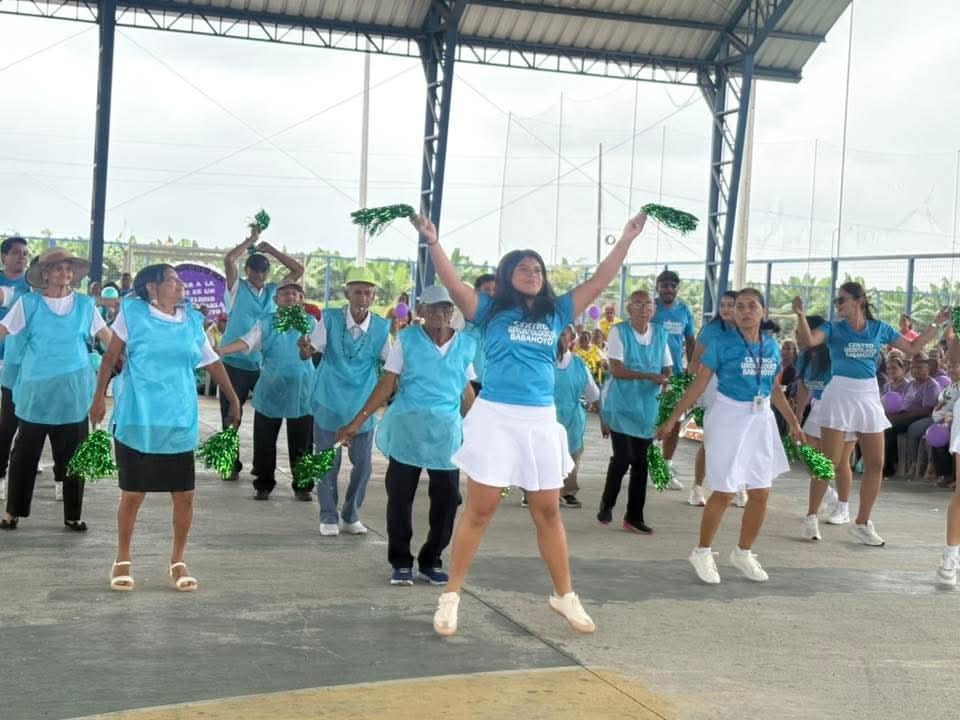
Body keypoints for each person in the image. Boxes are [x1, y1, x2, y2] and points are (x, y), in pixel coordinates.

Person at [412, 210, 649, 638]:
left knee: (548, 511)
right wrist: (433, 241)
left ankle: (564, 595)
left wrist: (627, 240)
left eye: (537, 269)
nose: (532, 273)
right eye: (523, 268)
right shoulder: (488, 310)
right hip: (496, 416)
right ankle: (451, 594)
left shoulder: (556, 311)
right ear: (507, 276)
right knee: (480, 509)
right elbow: (453, 283)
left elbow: (599, 281)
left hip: (540, 419)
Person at [90, 264, 241, 591]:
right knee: (133, 494)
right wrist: (99, 397)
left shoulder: (191, 321)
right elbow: (110, 358)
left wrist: (233, 398)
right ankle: (122, 559)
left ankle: (177, 561)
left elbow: (211, 361)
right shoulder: (133, 314)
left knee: (184, 495)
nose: (180, 284)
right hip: (138, 416)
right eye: (171, 280)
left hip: (178, 416)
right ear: (151, 288)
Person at [657, 288, 804, 584]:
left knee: (761, 491)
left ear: (763, 311)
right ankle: (702, 551)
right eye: (740, 307)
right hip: (728, 416)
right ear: (734, 313)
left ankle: (743, 552)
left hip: (761, 418)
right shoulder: (721, 343)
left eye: (752, 306)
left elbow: (774, 389)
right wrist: (673, 419)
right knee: (724, 491)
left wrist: (794, 423)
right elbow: (699, 384)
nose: (746, 311)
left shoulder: (771, 346)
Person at [336, 286, 476, 586]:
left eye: (445, 308)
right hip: (407, 430)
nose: (439, 314)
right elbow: (387, 384)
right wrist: (356, 422)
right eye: (433, 308)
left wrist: (480, 430)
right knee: (400, 498)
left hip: (445, 435)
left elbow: (465, 390)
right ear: (421, 311)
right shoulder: (407, 340)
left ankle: (431, 560)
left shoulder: (465, 345)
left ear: (452, 312)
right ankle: (400, 562)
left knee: (447, 501)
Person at [793, 282, 949, 546]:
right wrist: (800, 315)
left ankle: (862, 522)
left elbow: (912, 349)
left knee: (875, 463)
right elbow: (808, 341)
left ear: (859, 301)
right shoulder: (833, 328)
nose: (837, 305)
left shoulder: (879, 329)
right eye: (836, 301)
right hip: (840, 393)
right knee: (828, 462)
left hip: (867, 394)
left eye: (842, 300)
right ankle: (811, 516)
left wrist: (936, 324)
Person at [0, 248, 113, 531]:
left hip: (73, 391)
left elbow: (107, 337)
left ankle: (73, 515)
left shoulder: (85, 305)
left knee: (74, 455)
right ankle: (12, 512)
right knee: (24, 454)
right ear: (46, 273)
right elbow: (3, 330)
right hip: (36, 392)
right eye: (59, 268)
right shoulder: (28, 303)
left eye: (69, 269)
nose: (66, 273)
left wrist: (128, 356)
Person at [302, 267, 390, 536]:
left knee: (363, 466)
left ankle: (351, 515)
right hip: (329, 399)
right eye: (357, 292)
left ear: (373, 296)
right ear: (347, 294)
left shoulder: (382, 327)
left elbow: (392, 365)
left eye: (367, 293)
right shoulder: (329, 319)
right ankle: (328, 515)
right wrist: (304, 349)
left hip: (362, 406)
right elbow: (310, 351)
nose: (362, 297)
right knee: (327, 462)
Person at [217, 282, 317, 501]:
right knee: (264, 440)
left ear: (302, 299)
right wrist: (222, 350)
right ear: (275, 300)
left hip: (302, 389)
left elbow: (313, 351)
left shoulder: (311, 323)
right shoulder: (266, 323)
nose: (290, 297)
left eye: (295, 294)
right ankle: (263, 484)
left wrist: (305, 351)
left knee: (302, 441)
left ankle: (303, 486)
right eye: (285, 293)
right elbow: (246, 342)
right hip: (271, 387)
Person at [219, 224, 304, 481]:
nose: (259, 274)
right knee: (232, 414)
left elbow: (298, 270)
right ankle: (229, 463)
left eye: (264, 269)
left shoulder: (274, 292)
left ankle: (262, 466)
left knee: (268, 415)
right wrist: (251, 240)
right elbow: (229, 259)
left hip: (263, 364)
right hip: (234, 361)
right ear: (247, 270)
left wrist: (272, 251)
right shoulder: (237, 288)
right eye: (255, 269)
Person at [600, 289, 671, 534]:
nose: (643, 308)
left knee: (641, 463)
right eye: (637, 304)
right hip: (621, 404)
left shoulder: (660, 333)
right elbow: (617, 370)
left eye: (647, 304)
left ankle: (634, 516)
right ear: (628, 308)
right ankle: (607, 502)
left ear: (654, 309)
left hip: (647, 407)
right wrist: (649, 376)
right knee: (623, 458)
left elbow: (667, 366)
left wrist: (665, 381)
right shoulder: (619, 331)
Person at [521, 326, 601, 510]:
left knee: (572, 454)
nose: (559, 338)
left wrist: (605, 419)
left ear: (572, 338)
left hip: (572, 418)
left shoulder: (579, 365)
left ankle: (567, 492)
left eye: (563, 335)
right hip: (543, 416)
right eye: (556, 334)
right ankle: (530, 491)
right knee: (537, 454)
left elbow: (593, 394)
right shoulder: (539, 362)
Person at [794, 315, 847, 541]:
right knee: (807, 454)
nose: (797, 336)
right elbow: (803, 387)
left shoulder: (834, 355)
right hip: (817, 408)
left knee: (839, 462)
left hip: (841, 408)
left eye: (801, 332)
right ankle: (828, 493)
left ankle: (841, 507)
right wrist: (797, 417)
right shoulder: (804, 356)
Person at [686, 290, 737, 507]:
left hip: (740, 390)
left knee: (737, 441)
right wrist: (691, 392)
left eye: (731, 305)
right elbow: (694, 361)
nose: (725, 309)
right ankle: (698, 487)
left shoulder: (749, 331)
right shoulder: (711, 330)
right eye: (722, 305)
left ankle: (735, 485)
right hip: (712, 386)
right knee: (711, 440)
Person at [652, 269, 695, 489]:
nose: (668, 289)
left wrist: (691, 371)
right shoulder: (650, 309)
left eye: (672, 285)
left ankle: (666, 469)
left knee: (674, 422)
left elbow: (691, 341)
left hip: (676, 376)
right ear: (657, 287)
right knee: (649, 421)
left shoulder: (684, 310)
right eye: (664, 285)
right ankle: (645, 463)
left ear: (677, 288)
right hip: (651, 375)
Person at [0, 236, 30, 502]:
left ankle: (25, 457)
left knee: (20, 412)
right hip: (3, 355)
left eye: (25, 254)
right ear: (3, 257)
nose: (22, 257)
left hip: (22, 359)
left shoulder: (33, 285)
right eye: (17, 253)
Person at [886, 352, 940, 478]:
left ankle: (903, 465)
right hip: (905, 416)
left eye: (919, 367)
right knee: (885, 425)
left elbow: (926, 410)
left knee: (896, 428)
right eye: (913, 368)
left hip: (922, 418)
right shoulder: (911, 384)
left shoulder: (931, 385)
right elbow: (902, 403)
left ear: (928, 368)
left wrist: (901, 417)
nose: (915, 370)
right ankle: (888, 463)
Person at [463, 274, 495, 396]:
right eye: (487, 289)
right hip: (469, 382)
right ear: (476, 293)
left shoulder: (501, 322)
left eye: (495, 290)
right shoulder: (465, 317)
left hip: (491, 384)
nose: (491, 294)